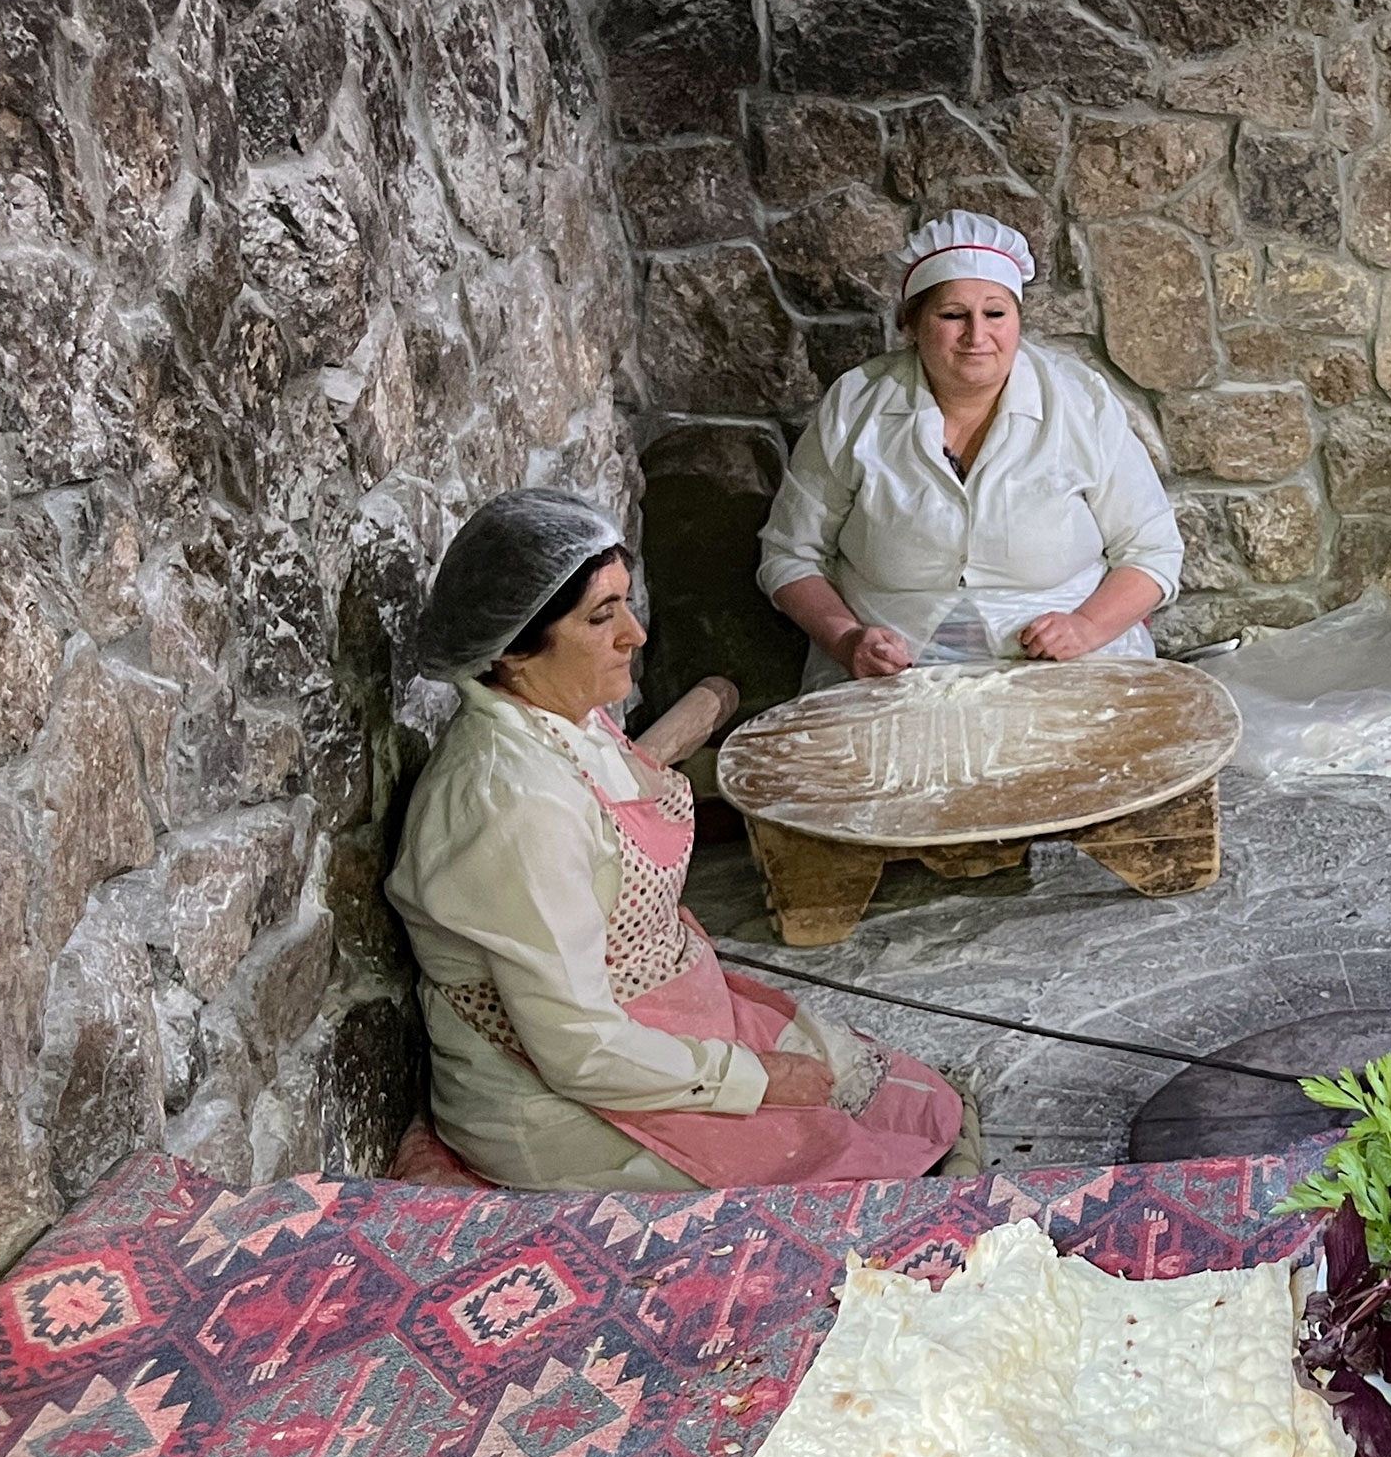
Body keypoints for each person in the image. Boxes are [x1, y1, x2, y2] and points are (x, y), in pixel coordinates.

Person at [386, 490, 970, 1190]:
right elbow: (579, 1050)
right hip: (556, 1092)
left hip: (647, 1019)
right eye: (602, 618)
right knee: (851, 1176)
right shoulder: (511, 802)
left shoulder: (559, 714)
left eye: (625, 605)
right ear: (513, 649)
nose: (634, 634)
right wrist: (748, 1079)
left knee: (905, 1103)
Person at [758, 209, 1185, 689]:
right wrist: (846, 639)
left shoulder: (1081, 403)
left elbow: (1152, 550)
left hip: (1068, 669)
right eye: (953, 314)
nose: (977, 336)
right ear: (912, 324)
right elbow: (789, 554)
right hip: (894, 680)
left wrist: (1085, 627)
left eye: (995, 313)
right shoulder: (855, 406)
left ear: (1018, 320)